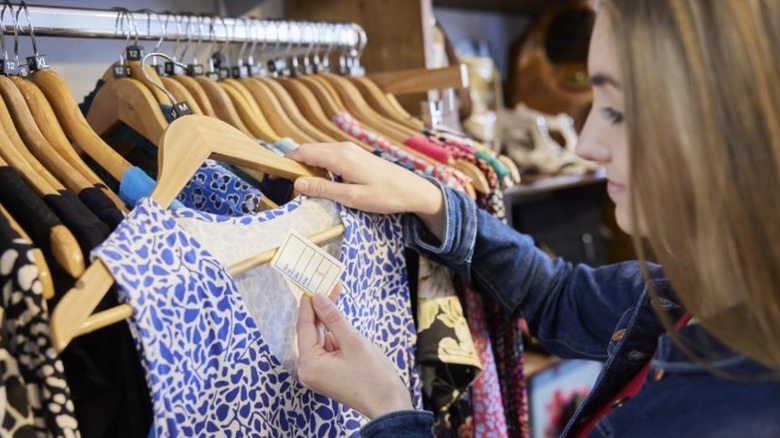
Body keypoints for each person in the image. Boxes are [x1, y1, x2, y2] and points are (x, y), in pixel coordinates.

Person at [290, 0, 780, 436]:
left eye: (618, 111)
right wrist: (433, 201)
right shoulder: (689, 300)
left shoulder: (743, 414)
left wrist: (389, 409)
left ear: (726, 128)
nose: (586, 143)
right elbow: (555, 294)